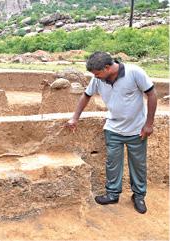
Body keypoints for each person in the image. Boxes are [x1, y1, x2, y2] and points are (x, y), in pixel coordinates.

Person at [66, 51, 157, 214]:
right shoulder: (98, 79)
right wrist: (75, 118)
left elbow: (152, 94)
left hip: (137, 130)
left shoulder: (134, 72)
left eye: (98, 73)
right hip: (113, 129)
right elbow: (86, 96)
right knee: (112, 163)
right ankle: (112, 194)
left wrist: (149, 124)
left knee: (138, 165)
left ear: (107, 67)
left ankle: (138, 196)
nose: (96, 77)